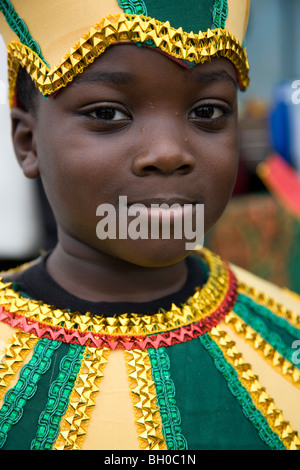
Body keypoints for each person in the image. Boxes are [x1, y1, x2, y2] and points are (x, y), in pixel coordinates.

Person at [0, 0, 299, 451]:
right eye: (107, 114)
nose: (168, 152)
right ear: (28, 143)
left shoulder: (290, 337)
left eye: (208, 111)